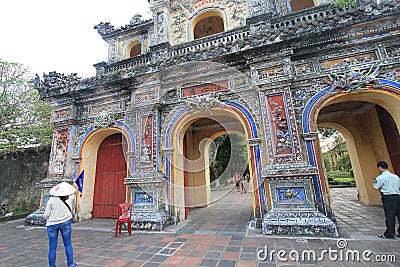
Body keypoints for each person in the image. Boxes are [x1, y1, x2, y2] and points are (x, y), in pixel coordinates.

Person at [44, 182, 77, 267]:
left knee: (52, 247)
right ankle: (70, 264)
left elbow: (46, 214)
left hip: (52, 224)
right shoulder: (72, 197)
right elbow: (73, 210)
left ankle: (52, 266)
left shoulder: (52, 200)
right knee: (68, 244)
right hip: (65, 222)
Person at [372, 161, 400, 239]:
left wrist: (375, 182)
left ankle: (390, 233)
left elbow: (376, 187)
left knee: (390, 216)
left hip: (388, 198)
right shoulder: (396, 177)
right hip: (397, 197)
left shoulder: (380, 178)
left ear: (380, 168)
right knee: (399, 215)